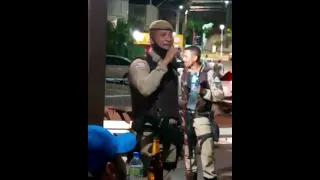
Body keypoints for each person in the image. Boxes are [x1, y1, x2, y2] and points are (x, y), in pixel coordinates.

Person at [129, 20, 182, 180]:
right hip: (149, 132)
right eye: (163, 35)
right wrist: (165, 62)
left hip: (170, 132)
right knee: (146, 175)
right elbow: (145, 88)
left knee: (166, 174)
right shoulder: (140, 64)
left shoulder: (171, 67)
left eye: (170, 35)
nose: (168, 39)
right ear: (151, 40)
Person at [180, 45, 224, 180]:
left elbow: (220, 95)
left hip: (202, 117)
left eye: (186, 56)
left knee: (207, 155)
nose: (183, 59)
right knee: (189, 156)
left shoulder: (209, 73)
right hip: (186, 117)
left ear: (195, 58)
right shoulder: (184, 73)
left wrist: (202, 91)